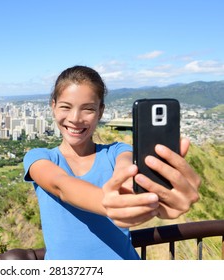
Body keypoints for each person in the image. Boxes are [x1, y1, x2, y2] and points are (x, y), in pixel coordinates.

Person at [23, 65, 200, 260]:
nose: (75, 118)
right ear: (53, 106)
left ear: (100, 111)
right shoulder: (39, 158)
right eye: (66, 107)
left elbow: (125, 171)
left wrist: (151, 199)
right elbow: (61, 186)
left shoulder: (118, 152)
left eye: (88, 109)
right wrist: (109, 204)